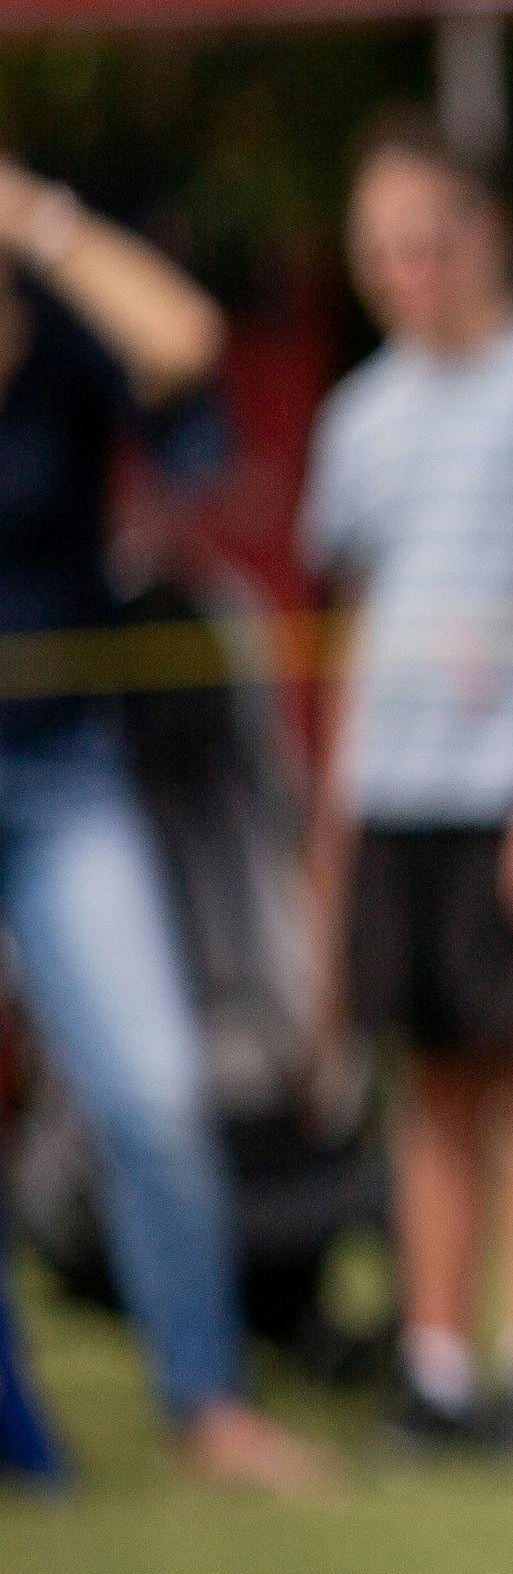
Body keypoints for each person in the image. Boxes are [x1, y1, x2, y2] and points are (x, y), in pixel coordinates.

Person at [0, 153, 329, 1492]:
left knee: (154, 1095)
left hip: (67, 773)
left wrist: (40, 218)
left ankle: (209, 1406)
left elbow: (188, 342)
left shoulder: (69, 328)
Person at [302, 118, 513, 1448]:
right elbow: (353, 628)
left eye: (426, 244)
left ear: (484, 236)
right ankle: (438, 1365)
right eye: (380, 251)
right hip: (399, 792)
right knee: (428, 1082)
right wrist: (334, 814)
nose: (404, 274)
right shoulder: (359, 413)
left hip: (509, 789)